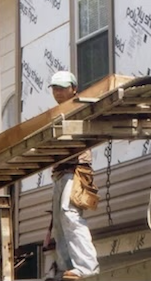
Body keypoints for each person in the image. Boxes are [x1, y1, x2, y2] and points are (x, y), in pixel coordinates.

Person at [47, 71, 100, 280]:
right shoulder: (55, 112)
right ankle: (65, 268)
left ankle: (86, 266)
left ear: (73, 88)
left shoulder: (80, 106)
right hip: (60, 172)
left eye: (62, 88)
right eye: (55, 88)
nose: (58, 92)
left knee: (69, 213)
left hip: (75, 169)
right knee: (60, 221)